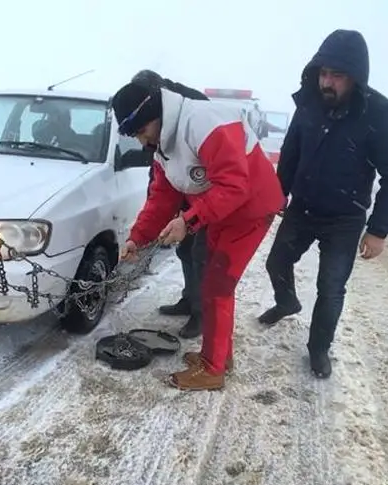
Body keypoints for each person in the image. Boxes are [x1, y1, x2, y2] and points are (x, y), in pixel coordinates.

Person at [258, 29, 388, 379]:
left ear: (356, 78)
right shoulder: (310, 101)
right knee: (276, 261)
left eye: (337, 76)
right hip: (303, 208)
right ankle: (286, 301)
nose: (327, 82)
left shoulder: (381, 113)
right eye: (323, 73)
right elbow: (292, 152)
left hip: (345, 218)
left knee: (330, 288)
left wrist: (378, 230)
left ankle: (318, 349)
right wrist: (279, 192)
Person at [113, 80, 283, 391]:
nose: (141, 140)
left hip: (250, 209)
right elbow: (161, 197)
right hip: (223, 211)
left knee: (218, 285)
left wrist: (188, 221)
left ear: (153, 115)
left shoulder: (203, 123)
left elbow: (235, 186)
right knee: (209, 282)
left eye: (140, 131)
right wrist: (137, 237)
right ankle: (218, 355)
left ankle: (213, 370)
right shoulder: (162, 144)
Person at [130, 70, 211, 338]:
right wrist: (155, 219)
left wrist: (190, 214)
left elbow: (211, 170)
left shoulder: (192, 109)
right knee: (186, 251)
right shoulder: (153, 120)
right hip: (181, 189)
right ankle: (190, 299)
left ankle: (202, 314)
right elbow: (159, 164)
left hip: (207, 195)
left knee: (202, 255)